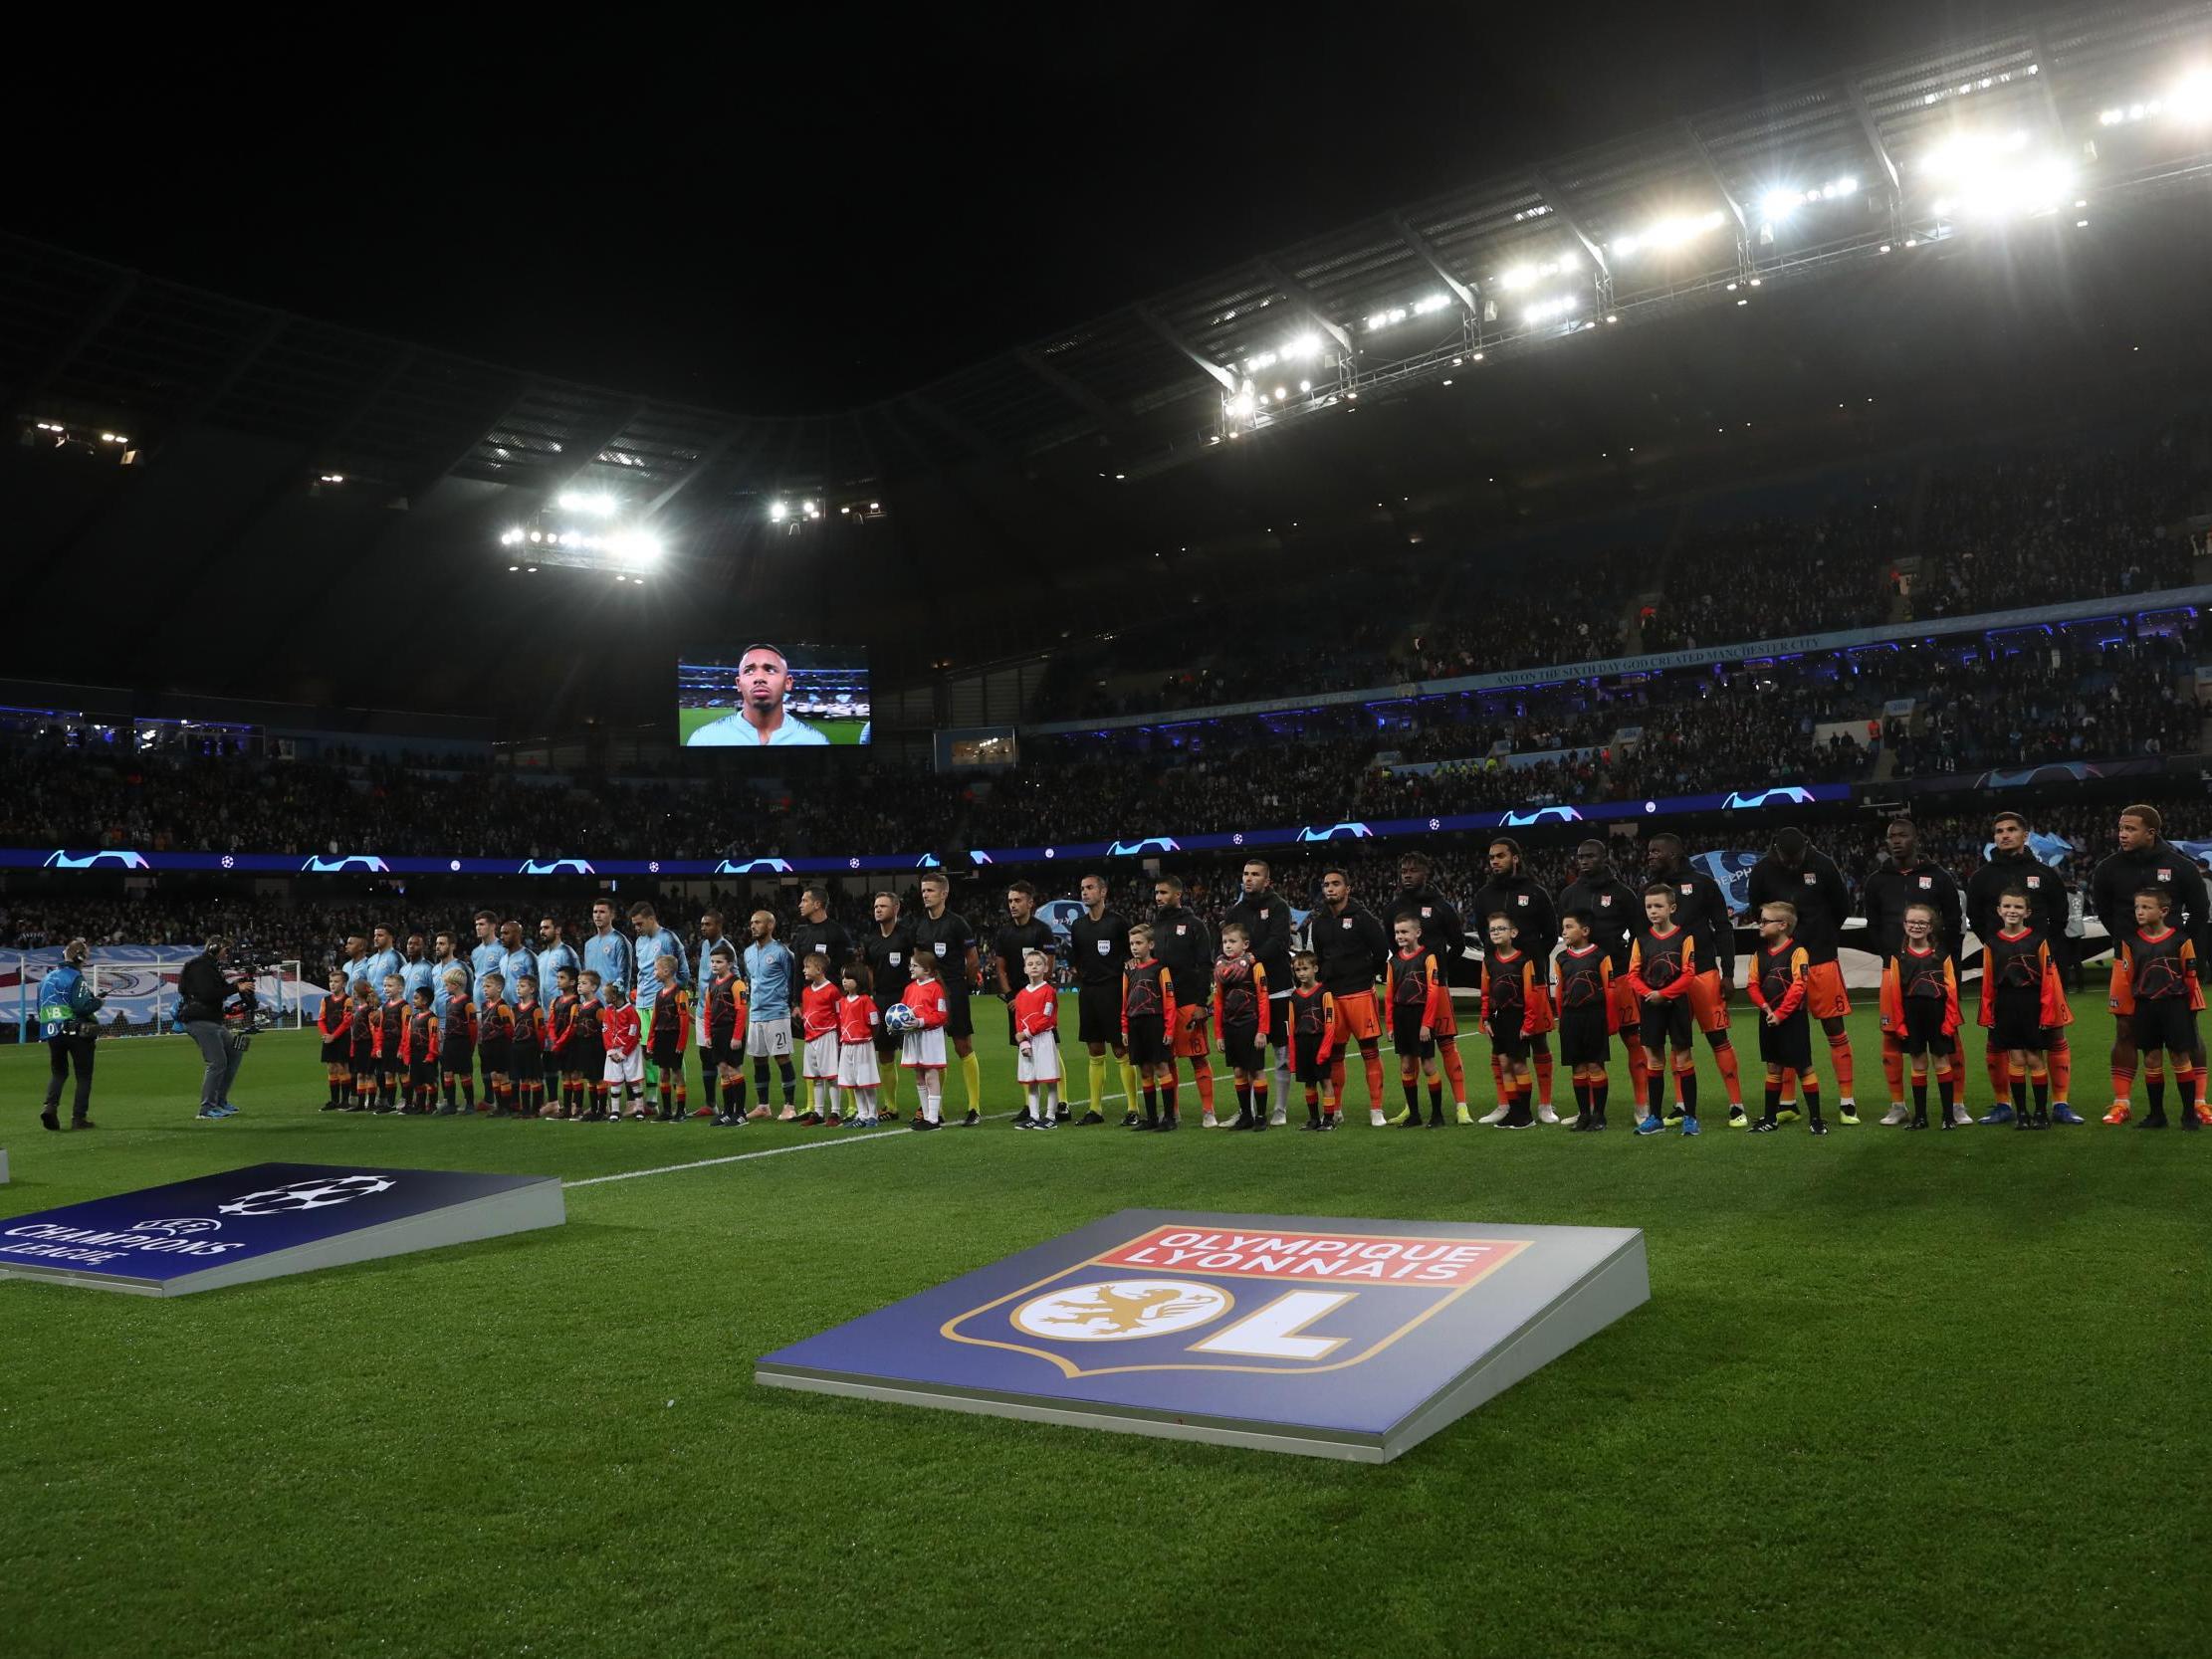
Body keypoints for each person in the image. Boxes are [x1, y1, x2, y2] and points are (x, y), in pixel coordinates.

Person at [2092, 803, 2212, 1126]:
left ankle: (2199, 1102)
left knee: (2187, 1031)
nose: (2122, 834)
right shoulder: (2108, 868)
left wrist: (2190, 954)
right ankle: (2122, 1102)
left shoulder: (2180, 867)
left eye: (2130, 829)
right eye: (2120, 827)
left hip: (2173, 963)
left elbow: (2200, 912)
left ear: (2151, 832)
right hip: (2128, 961)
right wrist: (2127, 940)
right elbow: (2103, 909)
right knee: (2125, 1029)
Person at [1967, 812, 2080, 1123]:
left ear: (2025, 834)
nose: (2005, 835)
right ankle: (2003, 1105)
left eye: (2011, 830)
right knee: (1998, 1037)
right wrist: (2000, 947)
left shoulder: (2044, 874)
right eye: (1999, 830)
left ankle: (2060, 1104)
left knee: (2053, 1033)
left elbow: (2059, 916)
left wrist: (2039, 950)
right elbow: (1976, 919)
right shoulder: (1982, 878)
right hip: (2001, 968)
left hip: (2042, 966)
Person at [1745, 827, 1857, 1125]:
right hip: (1780, 963)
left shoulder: (1823, 864)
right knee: (1786, 1030)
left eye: (1798, 858)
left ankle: (1847, 1101)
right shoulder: (1762, 871)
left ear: (1808, 845)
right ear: (1775, 850)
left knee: (1834, 1027)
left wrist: (1820, 938)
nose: (1793, 864)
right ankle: (1788, 1103)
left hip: (1820, 958)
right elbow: (1758, 911)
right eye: (1787, 859)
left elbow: (1842, 908)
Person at [1862, 819, 1968, 1127]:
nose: (1896, 841)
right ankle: (1898, 1105)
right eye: (1891, 836)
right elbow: (1873, 924)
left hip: (1935, 969)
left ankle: (1957, 1104)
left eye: (1902, 835)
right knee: (1892, 1033)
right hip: (1895, 970)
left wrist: (1944, 957)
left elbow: (1954, 921)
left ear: (1916, 839)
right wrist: (1889, 956)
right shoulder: (1876, 881)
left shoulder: (1938, 877)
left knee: (1950, 1033)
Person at [1646, 833, 1745, 1126]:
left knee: (1718, 1037)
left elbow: (1723, 928)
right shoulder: (1650, 891)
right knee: (1678, 1042)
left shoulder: (1703, 884)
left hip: (1702, 973)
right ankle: (1680, 1105)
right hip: (1668, 981)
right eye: (1649, 851)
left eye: (1656, 851)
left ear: (1673, 853)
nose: (1650, 856)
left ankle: (1736, 1105)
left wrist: (1727, 973)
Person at [1558, 840, 1644, 1124]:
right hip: (1580, 984)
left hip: (1617, 977)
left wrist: (1629, 965)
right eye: (1580, 856)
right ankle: (1588, 1110)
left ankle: (1642, 1105)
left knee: (1633, 1040)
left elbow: (1639, 935)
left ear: (1604, 857)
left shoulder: (1622, 894)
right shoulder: (1570, 894)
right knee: (1584, 1050)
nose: (1584, 860)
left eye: (1590, 856)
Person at [1475, 839, 1560, 1118]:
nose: (1495, 861)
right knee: (1498, 1041)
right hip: (1498, 978)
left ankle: (1545, 1104)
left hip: (1531, 979)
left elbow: (1550, 933)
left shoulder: (1535, 893)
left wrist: (1531, 960)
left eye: (1500, 856)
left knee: (1537, 1039)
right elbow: (1483, 933)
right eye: (1491, 857)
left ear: (1516, 858)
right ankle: (1505, 1104)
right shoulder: (1484, 896)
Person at [1977, 888, 2070, 1131]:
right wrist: (1987, 1012)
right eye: (2007, 906)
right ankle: (2022, 1114)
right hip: (2005, 1004)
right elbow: (1988, 980)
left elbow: (2049, 978)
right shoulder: (1992, 942)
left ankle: (2041, 1113)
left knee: (2034, 1058)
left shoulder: (2038, 940)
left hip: (2032, 1003)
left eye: (2018, 907)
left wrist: (2048, 1012)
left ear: (2027, 912)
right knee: (2016, 1058)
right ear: (1999, 911)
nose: (2012, 911)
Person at [2114, 887, 2203, 1130]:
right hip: (2145, 1006)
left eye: (2146, 907)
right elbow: (2128, 975)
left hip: (2175, 1006)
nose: (2140, 912)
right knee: (2151, 1059)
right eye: (2137, 907)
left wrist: (2184, 1003)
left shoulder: (2181, 940)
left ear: (2163, 911)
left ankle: (2188, 1115)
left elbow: (2190, 977)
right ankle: (2157, 1115)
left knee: (2179, 1057)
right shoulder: (2130, 942)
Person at [1308, 867, 1390, 1125]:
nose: (1330, 888)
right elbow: (1318, 957)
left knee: (1369, 1051)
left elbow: (1381, 951)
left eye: (1335, 883)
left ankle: (1376, 1109)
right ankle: (1337, 1108)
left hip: (1359, 993)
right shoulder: (1319, 922)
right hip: (1332, 996)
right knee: (1335, 1053)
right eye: (1326, 884)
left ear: (1347, 889)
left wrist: (1366, 975)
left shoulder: (1363, 918)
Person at [1396, 851, 1471, 1124]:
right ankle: (1410, 1107)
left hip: (1435, 990)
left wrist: (1439, 970)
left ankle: (1461, 1106)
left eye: (1413, 870)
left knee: (1446, 1044)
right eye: (1404, 869)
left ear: (1426, 873)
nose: (1407, 874)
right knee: (1409, 1052)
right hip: (1406, 993)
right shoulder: (1395, 908)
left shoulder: (1441, 906)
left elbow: (1459, 945)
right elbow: (1392, 948)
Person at [1223, 859, 1296, 1126]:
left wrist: (1249, 959)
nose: (1249, 878)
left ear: (1267, 881)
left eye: (1255, 874)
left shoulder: (1279, 907)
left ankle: (1280, 1108)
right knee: (1247, 1055)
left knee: (1281, 1050)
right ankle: (1248, 1111)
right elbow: (1228, 944)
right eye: (1245, 874)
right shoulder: (1235, 911)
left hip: (1277, 988)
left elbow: (1278, 943)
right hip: (1246, 993)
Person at [1880, 902, 1962, 1130]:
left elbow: (1952, 991)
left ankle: (1948, 1117)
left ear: (1930, 927)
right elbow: (1895, 993)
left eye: (1921, 922)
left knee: (1941, 1061)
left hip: (1938, 1014)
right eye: (1911, 921)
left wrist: (1949, 1022)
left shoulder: (1941, 955)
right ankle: (1921, 1117)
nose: (1916, 926)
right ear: (1904, 924)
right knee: (1918, 1063)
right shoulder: (1898, 957)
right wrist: (1900, 1025)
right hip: (1911, 1016)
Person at [1745, 902, 1826, 1136]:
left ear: (1783, 925)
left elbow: (1799, 986)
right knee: (1773, 1066)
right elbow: (1752, 985)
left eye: (1765, 921)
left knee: (1804, 1067)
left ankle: (1816, 1119)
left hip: (1792, 1019)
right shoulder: (1758, 954)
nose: (1760, 925)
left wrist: (1780, 1014)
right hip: (1768, 1018)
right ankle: (1770, 1118)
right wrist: (1765, 1008)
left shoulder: (1798, 952)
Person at [1629, 886, 1700, 1136]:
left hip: (1677, 1005)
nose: (1653, 911)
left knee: (1683, 1059)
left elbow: (1689, 974)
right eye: (1649, 906)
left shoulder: (1685, 937)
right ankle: (1655, 1117)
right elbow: (1633, 974)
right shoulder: (1641, 939)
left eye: (1658, 906)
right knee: (1654, 1059)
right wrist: (1649, 994)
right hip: (1651, 1005)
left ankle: (1690, 1117)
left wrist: (1664, 994)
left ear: (1672, 908)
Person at [911, 872, 982, 1125]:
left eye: (930, 890)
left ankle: (974, 1107)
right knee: (932, 1052)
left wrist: (967, 985)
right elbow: (917, 958)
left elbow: (972, 959)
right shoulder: (920, 925)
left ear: (944, 893)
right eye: (923, 891)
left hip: (953, 989)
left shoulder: (957, 923)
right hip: (929, 993)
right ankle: (934, 1110)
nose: (925, 895)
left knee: (962, 1045)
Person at [1069, 874, 1137, 1127]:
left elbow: (1132, 956)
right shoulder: (1078, 926)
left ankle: (1132, 1108)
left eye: (1090, 888)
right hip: (1088, 993)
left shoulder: (1118, 923)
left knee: (1120, 1048)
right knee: (1094, 1048)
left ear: (1103, 891)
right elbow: (1078, 958)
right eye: (1082, 888)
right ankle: (1095, 1109)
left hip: (1114, 991)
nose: (1085, 892)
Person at [1151, 875, 1217, 1126]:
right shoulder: (1154, 927)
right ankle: (1173, 1111)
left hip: (1189, 1001)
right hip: (1162, 1004)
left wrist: (1202, 1003)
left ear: (1178, 895)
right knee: (1167, 1059)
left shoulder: (1195, 924)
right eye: (1156, 893)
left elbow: (1205, 965)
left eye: (1164, 893)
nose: (1158, 898)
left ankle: (1208, 1111)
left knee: (1197, 1057)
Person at [994, 881, 1062, 1117]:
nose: (1012, 904)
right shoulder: (1004, 932)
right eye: (1010, 900)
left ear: (1030, 903)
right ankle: (1029, 1106)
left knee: (1050, 1048)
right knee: (1024, 1048)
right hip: (1017, 1001)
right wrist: (1012, 997)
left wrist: (1038, 990)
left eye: (1018, 900)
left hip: (1039, 996)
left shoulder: (1042, 930)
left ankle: (1061, 1102)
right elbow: (1000, 968)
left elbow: (1049, 965)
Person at [791, 887, 857, 1122]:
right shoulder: (801, 935)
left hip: (834, 1001)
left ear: (818, 904)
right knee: (814, 1063)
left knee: (839, 1058)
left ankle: (849, 1107)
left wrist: (845, 997)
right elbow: (797, 971)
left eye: (804, 900)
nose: (800, 904)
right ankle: (814, 1108)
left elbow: (850, 966)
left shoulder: (837, 932)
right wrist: (796, 1002)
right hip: (809, 1004)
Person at [685, 644, 832, 745]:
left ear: (788, 682)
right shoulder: (704, 739)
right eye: (749, 670)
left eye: (770, 669)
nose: (759, 678)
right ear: (738, 684)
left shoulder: (815, 740)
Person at [1478, 913, 1544, 1129]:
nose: (1496, 933)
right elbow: (1486, 993)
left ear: (1513, 933)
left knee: (1518, 1064)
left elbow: (1531, 996)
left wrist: (1528, 1024)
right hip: (1498, 1020)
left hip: (1518, 1019)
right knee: (1505, 1064)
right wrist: (1486, 1018)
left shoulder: (1524, 961)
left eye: (1501, 929)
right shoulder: (1488, 961)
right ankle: (1513, 1111)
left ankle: (1525, 1114)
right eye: (1493, 930)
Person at [1386, 913, 1450, 1129]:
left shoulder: (1428, 958)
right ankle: (1414, 1115)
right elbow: (1388, 995)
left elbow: (1433, 993)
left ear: (1417, 933)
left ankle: (1437, 1115)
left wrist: (1427, 1023)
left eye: (1404, 931)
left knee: (1428, 1065)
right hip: (1401, 1016)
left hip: (1421, 1015)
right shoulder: (1393, 961)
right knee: (1406, 1065)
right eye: (1397, 932)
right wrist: (1390, 1025)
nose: (1400, 936)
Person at [1553, 910, 1615, 1132]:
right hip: (1571, 1018)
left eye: (1569, 927)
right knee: (1577, 1067)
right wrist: (1561, 1018)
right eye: (1563, 927)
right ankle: (1584, 1115)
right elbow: (1559, 991)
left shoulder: (1600, 956)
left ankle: (1599, 1115)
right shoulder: (1561, 958)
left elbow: (1609, 990)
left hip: (1594, 1016)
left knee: (1595, 1065)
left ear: (1585, 931)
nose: (1564, 931)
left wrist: (1611, 1020)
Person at [177, 935, 248, 1122]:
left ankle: (220, 1101)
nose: (227, 954)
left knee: (235, 1051)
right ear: (215, 947)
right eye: (225, 949)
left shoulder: (210, 967)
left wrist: (237, 985)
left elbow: (219, 991)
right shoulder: (200, 967)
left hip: (212, 1020)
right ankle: (207, 1109)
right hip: (200, 1020)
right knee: (217, 1062)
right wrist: (235, 989)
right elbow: (207, 993)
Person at [37, 937, 104, 1132]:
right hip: (76, 1032)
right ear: (80, 958)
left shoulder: (46, 978)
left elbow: (40, 1006)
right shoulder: (76, 977)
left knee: (59, 1072)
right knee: (83, 1075)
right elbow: (81, 1006)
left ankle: (50, 1107)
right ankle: (78, 1118)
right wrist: (97, 1002)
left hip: (52, 1032)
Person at [860, 892, 914, 1120]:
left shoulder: (907, 937)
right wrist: (870, 997)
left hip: (907, 1000)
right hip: (881, 1000)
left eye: (883, 905)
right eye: (875, 906)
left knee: (919, 1054)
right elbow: (869, 970)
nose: (878, 909)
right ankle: (890, 1106)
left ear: (896, 908)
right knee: (885, 1054)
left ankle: (932, 1108)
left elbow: (918, 963)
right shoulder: (870, 939)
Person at [1213, 923, 1271, 1132]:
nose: (1227, 946)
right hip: (1231, 1026)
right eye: (1225, 942)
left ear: (1245, 944)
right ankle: (1246, 1115)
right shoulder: (1220, 970)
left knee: (1256, 1070)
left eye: (1232, 941)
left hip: (1251, 1024)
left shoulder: (1256, 967)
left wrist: (1262, 1030)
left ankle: (1262, 1116)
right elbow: (1218, 1001)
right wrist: (1218, 1033)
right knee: (1238, 1071)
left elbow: (1263, 999)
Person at [1121, 922, 1179, 1131]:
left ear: (1151, 944)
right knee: (1144, 1071)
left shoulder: (1160, 969)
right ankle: (1152, 1118)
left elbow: (1169, 1001)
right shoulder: (1128, 971)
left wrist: (1169, 1029)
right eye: (1132, 943)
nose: (1134, 947)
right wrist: (1124, 1027)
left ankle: (1170, 1118)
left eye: (1139, 942)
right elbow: (1124, 1001)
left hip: (1154, 1022)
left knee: (1161, 1067)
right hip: (1135, 1024)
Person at [743, 910, 799, 1120]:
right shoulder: (747, 953)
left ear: (770, 926)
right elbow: (752, 979)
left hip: (777, 1013)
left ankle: (789, 1106)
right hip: (755, 1014)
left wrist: (793, 1005)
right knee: (758, 1059)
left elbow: (793, 980)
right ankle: (763, 1106)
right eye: (751, 922)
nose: (753, 925)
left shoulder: (782, 952)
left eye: (757, 922)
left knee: (782, 1057)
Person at [628, 902, 687, 1104]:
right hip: (642, 1002)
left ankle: (679, 1099)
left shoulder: (668, 938)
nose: (636, 928)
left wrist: (670, 996)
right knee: (647, 1050)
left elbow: (683, 973)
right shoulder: (639, 942)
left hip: (663, 1004)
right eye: (634, 924)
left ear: (651, 919)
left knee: (673, 1053)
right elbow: (643, 973)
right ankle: (652, 1099)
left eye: (639, 923)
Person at [1284, 950, 1338, 1130]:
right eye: (1297, 970)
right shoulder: (1294, 997)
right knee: (1308, 1082)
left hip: (1319, 1041)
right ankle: (1314, 1119)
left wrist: (1325, 1049)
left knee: (1325, 1081)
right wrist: (1292, 1056)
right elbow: (1291, 1028)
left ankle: (1329, 1119)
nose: (1301, 973)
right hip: (1302, 1044)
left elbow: (1330, 1024)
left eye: (1305, 968)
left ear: (1315, 968)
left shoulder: (1324, 993)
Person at [898, 950, 951, 1130]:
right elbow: (902, 1009)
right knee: (919, 1076)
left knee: (930, 1075)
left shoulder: (936, 988)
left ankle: (934, 1119)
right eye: (910, 965)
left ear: (927, 970)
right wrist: (896, 1024)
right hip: (913, 1036)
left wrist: (921, 1021)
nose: (910, 968)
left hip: (930, 1036)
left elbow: (941, 1015)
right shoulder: (909, 988)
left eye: (915, 966)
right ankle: (926, 1116)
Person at [1012, 949, 1062, 1131]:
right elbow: (1018, 1020)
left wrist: (1027, 1033)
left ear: (1046, 968)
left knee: (1049, 1079)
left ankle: (1050, 1116)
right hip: (1027, 1041)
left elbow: (1046, 1018)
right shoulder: (1021, 995)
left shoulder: (1048, 991)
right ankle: (1033, 1115)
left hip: (1043, 1039)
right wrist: (1024, 1042)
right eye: (1030, 964)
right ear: (1025, 969)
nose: (1034, 967)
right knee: (1031, 1080)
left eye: (1038, 964)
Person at [536, 917, 581, 1113]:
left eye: (546, 927)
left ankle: (574, 1103)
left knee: (570, 1061)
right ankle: (553, 1101)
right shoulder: (541, 956)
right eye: (541, 928)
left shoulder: (567, 952)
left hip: (566, 1012)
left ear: (558, 929)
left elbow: (577, 978)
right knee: (549, 1058)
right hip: (547, 1012)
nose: (542, 931)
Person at [702, 944, 751, 1127]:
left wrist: (737, 1036)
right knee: (722, 1069)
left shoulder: (737, 983)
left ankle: (740, 1113)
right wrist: (707, 1034)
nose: (714, 965)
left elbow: (741, 1011)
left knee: (734, 1070)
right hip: (716, 1033)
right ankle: (727, 1111)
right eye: (712, 961)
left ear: (729, 963)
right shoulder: (712, 984)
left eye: (719, 962)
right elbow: (707, 1012)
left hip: (731, 1031)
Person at [694, 910, 734, 1122]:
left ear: (719, 925)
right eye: (702, 924)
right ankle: (710, 1104)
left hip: (719, 1012)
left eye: (707, 924)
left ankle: (731, 1105)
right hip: (702, 1009)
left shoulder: (726, 949)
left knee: (722, 1058)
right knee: (705, 1056)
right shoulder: (704, 946)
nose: (703, 927)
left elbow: (731, 980)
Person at [645, 955, 693, 1123]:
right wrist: (651, 1041)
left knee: (677, 1073)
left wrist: (681, 1044)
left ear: (666, 971)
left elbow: (684, 1021)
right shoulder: (659, 994)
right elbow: (655, 1019)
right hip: (661, 1036)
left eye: (656, 969)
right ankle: (666, 1111)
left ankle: (680, 1111)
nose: (654, 972)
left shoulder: (680, 994)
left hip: (673, 1036)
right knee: (663, 1073)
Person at [798, 952, 843, 1126]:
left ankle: (835, 1113)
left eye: (807, 967)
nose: (804, 970)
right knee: (816, 1077)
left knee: (831, 1076)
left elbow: (838, 1015)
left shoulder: (832, 990)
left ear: (819, 969)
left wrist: (840, 1038)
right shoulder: (806, 991)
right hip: (810, 1037)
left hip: (827, 1035)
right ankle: (818, 1112)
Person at [835, 962, 882, 1127]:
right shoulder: (842, 1001)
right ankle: (861, 1115)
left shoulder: (865, 1001)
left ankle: (873, 1115)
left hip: (863, 1045)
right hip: (848, 1045)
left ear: (859, 980)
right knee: (854, 1082)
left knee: (866, 1081)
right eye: (843, 978)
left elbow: (875, 1022)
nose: (844, 981)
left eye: (848, 978)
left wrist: (868, 1037)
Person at [601, 981, 645, 1120]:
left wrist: (624, 1053)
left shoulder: (630, 1011)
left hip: (630, 1050)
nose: (605, 998)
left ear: (614, 996)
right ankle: (615, 1111)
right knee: (615, 1080)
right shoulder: (608, 1010)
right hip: (613, 1052)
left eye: (606, 995)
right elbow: (605, 1031)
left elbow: (634, 1034)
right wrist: (610, 1051)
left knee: (633, 1079)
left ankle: (639, 1109)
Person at [437, 967, 478, 1115]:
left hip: (462, 1042)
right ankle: (451, 1104)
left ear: (455, 985)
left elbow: (473, 1027)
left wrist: (471, 1045)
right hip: (449, 1042)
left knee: (464, 1073)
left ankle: (470, 1104)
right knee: (447, 1072)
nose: (445, 987)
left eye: (447, 984)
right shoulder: (449, 1002)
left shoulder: (467, 1003)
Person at [546, 965, 583, 1119]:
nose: (558, 981)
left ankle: (578, 1108)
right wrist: (555, 1039)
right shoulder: (555, 1001)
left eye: (562, 978)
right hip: (559, 1044)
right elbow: (551, 1023)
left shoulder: (575, 1002)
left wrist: (559, 1042)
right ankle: (567, 1108)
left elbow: (572, 1026)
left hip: (572, 1044)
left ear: (573, 982)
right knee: (565, 1075)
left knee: (575, 1075)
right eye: (558, 978)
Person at [476, 971, 515, 1116]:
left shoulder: (502, 1007)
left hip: (500, 1044)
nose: (485, 989)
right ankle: (499, 1106)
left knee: (502, 1075)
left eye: (488, 986)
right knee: (493, 1075)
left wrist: (507, 1043)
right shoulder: (484, 1005)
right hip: (488, 1045)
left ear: (499, 988)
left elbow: (509, 1028)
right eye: (484, 986)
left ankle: (506, 1106)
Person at [318, 967, 354, 1112]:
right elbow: (321, 1020)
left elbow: (347, 1022)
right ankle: (334, 1101)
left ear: (344, 983)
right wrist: (326, 1034)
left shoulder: (348, 1000)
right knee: (331, 1068)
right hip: (329, 1038)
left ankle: (345, 1101)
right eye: (331, 981)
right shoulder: (325, 1000)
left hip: (342, 1038)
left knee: (342, 1067)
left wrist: (333, 1036)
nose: (332, 984)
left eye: (336, 982)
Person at [573, 969, 608, 1120]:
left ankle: (601, 1110)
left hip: (596, 1047)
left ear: (593, 987)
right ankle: (593, 1110)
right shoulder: (580, 1007)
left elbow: (604, 1028)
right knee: (590, 1078)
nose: (579, 986)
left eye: (584, 983)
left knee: (598, 1077)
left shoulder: (598, 1007)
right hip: (583, 1046)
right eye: (579, 983)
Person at [400, 985, 441, 1114]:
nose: (413, 1001)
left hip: (426, 1054)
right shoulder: (413, 1018)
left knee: (429, 1080)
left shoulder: (432, 1018)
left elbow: (434, 1037)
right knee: (417, 1081)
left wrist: (431, 1054)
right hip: (415, 1054)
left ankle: (432, 1105)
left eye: (416, 998)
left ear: (425, 1001)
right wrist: (406, 1054)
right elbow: (407, 1036)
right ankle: (420, 1106)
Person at [512, 975, 548, 1119]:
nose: (518, 989)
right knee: (523, 1079)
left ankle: (535, 1109)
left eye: (522, 986)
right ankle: (524, 1109)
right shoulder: (514, 1008)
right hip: (517, 1046)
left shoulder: (536, 1009)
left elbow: (540, 1031)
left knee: (534, 1078)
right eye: (518, 986)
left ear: (532, 989)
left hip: (531, 1046)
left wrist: (539, 1048)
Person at [376, 973, 409, 1113]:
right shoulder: (384, 1007)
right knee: (388, 1073)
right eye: (384, 986)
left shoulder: (405, 1007)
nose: (386, 988)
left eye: (390, 986)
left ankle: (406, 1100)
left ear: (400, 988)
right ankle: (389, 1103)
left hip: (399, 1044)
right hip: (387, 1044)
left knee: (403, 1073)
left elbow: (406, 1029)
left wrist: (402, 1048)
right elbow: (380, 1028)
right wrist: (378, 1045)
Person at [346, 978, 380, 1113]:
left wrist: (375, 1047)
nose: (353, 994)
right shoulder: (358, 1009)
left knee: (369, 1073)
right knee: (360, 1074)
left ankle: (371, 1103)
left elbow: (374, 1029)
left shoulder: (369, 1009)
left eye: (354, 991)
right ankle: (360, 1103)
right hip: (358, 1044)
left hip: (367, 1044)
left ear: (359, 993)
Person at [400, 933, 437, 1002]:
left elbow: (435, 994)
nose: (411, 946)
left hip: (421, 1011)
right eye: (409, 943)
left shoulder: (429, 968)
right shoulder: (403, 969)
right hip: (404, 1011)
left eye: (416, 944)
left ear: (424, 947)